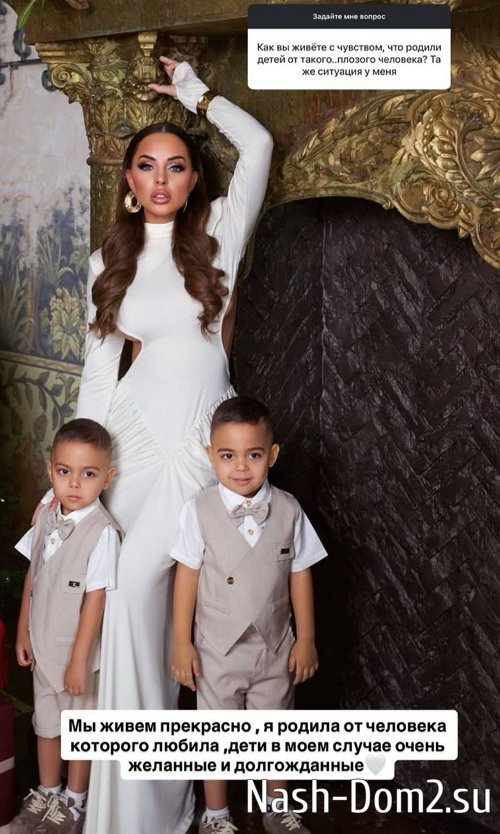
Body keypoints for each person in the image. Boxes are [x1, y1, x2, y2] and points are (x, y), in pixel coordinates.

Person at [75, 57, 274, 833]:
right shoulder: (108, 262)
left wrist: (194, 93)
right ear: (129, 180)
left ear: (194, 182)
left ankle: (174, 799)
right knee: (124, 606)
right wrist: (82, 475)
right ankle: (142, 805)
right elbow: (98, 378)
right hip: (128, 443)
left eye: (177, 167)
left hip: (198, 447)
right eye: (147, 167)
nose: (161, 180)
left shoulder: (219, 233)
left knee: (167, 608)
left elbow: (259, 146)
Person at [170, 396, 327, 834]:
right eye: (228, 456)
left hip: (275, 645)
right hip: (217, 648)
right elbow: (186, 578)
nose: (241, 467)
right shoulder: (198, 510)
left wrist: (306, 638)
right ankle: (216, 813)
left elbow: (300, 574)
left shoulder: (290, 510)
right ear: (210, 456)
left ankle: (277, 806)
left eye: (253, 455)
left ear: (272, 455)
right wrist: (181, 642)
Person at [12, 419, 119, 834]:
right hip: (42, 648)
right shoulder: (46, 516)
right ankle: (47, 792)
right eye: (64, 471)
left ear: (107, 477)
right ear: (50, 470)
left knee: (78, 731)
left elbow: (96, 600)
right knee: (46, 726)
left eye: (88, 474)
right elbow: (33, 576)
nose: (74, 483)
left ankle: (74, 803)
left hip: (77, 658)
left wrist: (79, 661)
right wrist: (23, 630)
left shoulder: (102, 533)